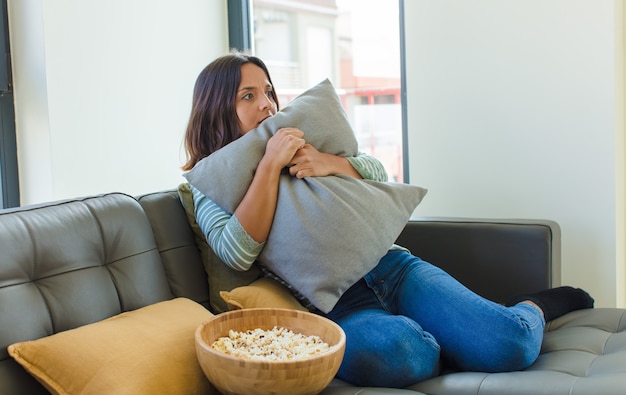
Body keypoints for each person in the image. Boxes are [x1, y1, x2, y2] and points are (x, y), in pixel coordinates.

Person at [182, 53, 594, 388]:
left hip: (393, 268)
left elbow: (377, 173)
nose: (267, 104)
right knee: (401, 356)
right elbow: (237, 250)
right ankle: (456, 337)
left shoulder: (297, 132)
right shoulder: (208, 183)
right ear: (217, 107)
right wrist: (270, 164)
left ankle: (535, 307)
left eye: (268, 91)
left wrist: (332, 163)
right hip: (335, 307)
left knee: (512, 344)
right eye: (248, 96)